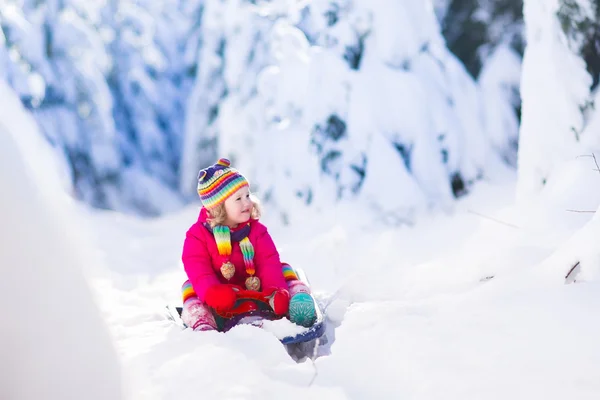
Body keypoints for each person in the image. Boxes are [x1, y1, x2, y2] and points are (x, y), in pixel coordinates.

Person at [180, 158, 316, 331]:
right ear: (219, 207)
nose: (247, 203)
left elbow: (268, 262)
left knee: (285, 270)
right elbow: (198, 268)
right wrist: (212, 292)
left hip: (257, 289)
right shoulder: (198, 236)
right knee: (191, 287)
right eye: (238, 199)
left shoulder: (257, 231)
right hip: (220, 297)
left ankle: (299, 302)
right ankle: (202, 320)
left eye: (247, 195)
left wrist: (275, 292)